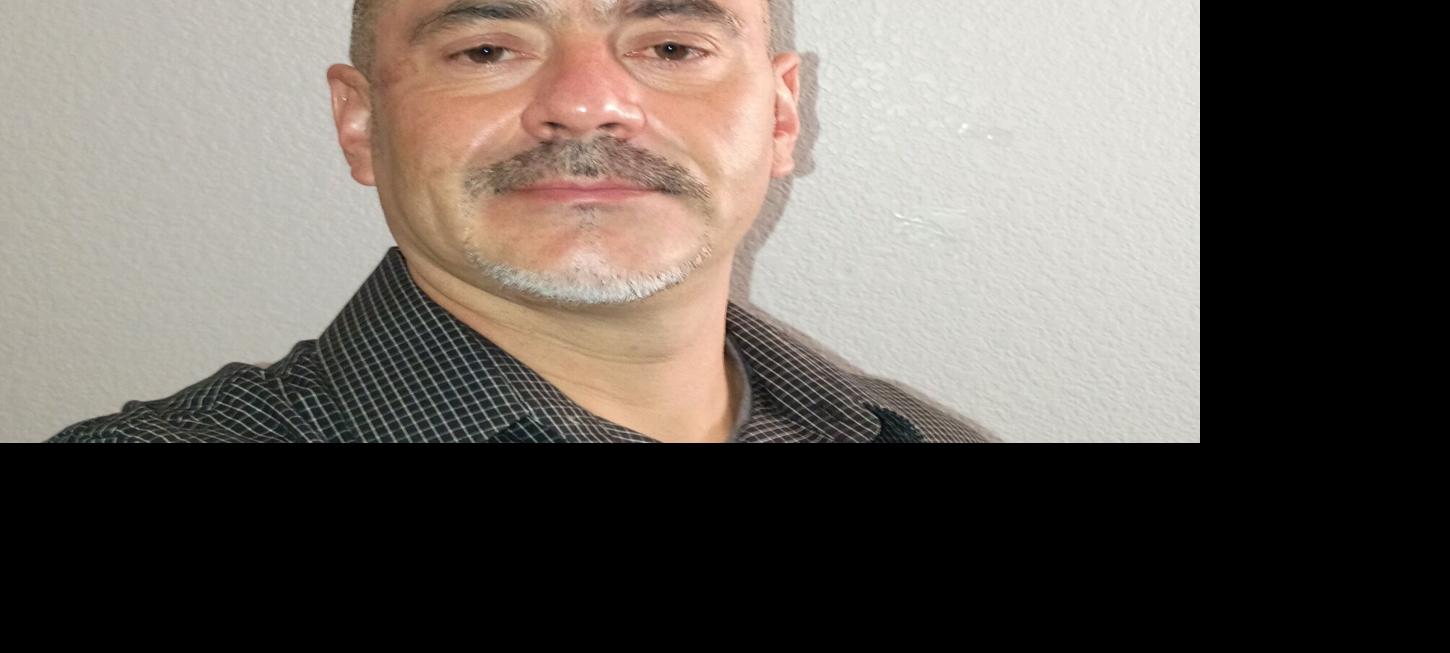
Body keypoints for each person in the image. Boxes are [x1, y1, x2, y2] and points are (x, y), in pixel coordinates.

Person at [47, 0, 990, 443]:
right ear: (361, 123)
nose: (585, 105)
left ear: (781, 117)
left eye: (671, 47)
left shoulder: (923, 436)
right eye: (487, 50)